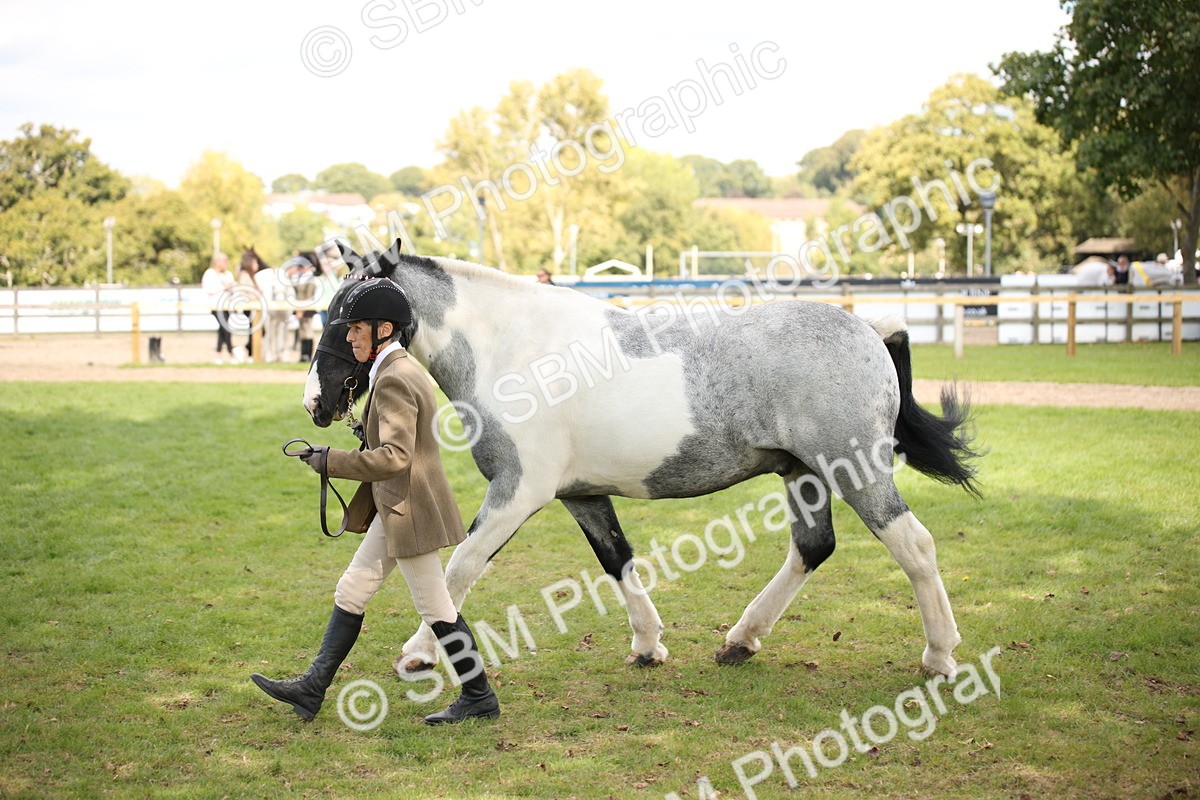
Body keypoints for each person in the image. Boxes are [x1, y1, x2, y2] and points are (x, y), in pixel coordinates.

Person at [251, 277, 500, 726]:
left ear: (384, 329)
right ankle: (312, 688)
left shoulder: (393, 379)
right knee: (352, 590)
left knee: (437, 609)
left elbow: (396, 457)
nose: (349, 337)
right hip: (396, 505)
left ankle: (479, 696)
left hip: (408, 509)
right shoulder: (396, 369)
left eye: (356, 329)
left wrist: (331, 461)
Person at [201, 253, 234, 363]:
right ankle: (231, 353)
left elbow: (232, 289)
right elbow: (209, 289)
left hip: (227, 306)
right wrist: (224, 287)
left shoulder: (228, 274)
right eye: (224, 260)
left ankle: (218, 356)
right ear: (217, 262)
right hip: (216, 306)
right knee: (225, 329)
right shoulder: (209, 274)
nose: (226, 263)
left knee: (222, 330)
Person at [234, 252, 259, 363]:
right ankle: (246, 351)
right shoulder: (245, 276)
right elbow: (245, 292)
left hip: (252, 306)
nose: (257, 265)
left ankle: (249, 353)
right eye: (255, 262)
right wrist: (255, 297)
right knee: (254, 331)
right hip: (248, 306)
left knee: (254, 331)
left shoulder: (250, 276)